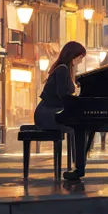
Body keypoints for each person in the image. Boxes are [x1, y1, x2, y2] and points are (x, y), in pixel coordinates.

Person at [34, 41, 86, 180]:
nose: (80, 61)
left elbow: (64, 96)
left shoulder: (63, 69)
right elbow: (63, 95)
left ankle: (77, 165)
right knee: (77, 128)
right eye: (80, 57)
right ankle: (77, 167)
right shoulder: (62, 69)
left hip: (49, 111)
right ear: (73, 56)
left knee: (77, 127)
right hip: (46, 114)